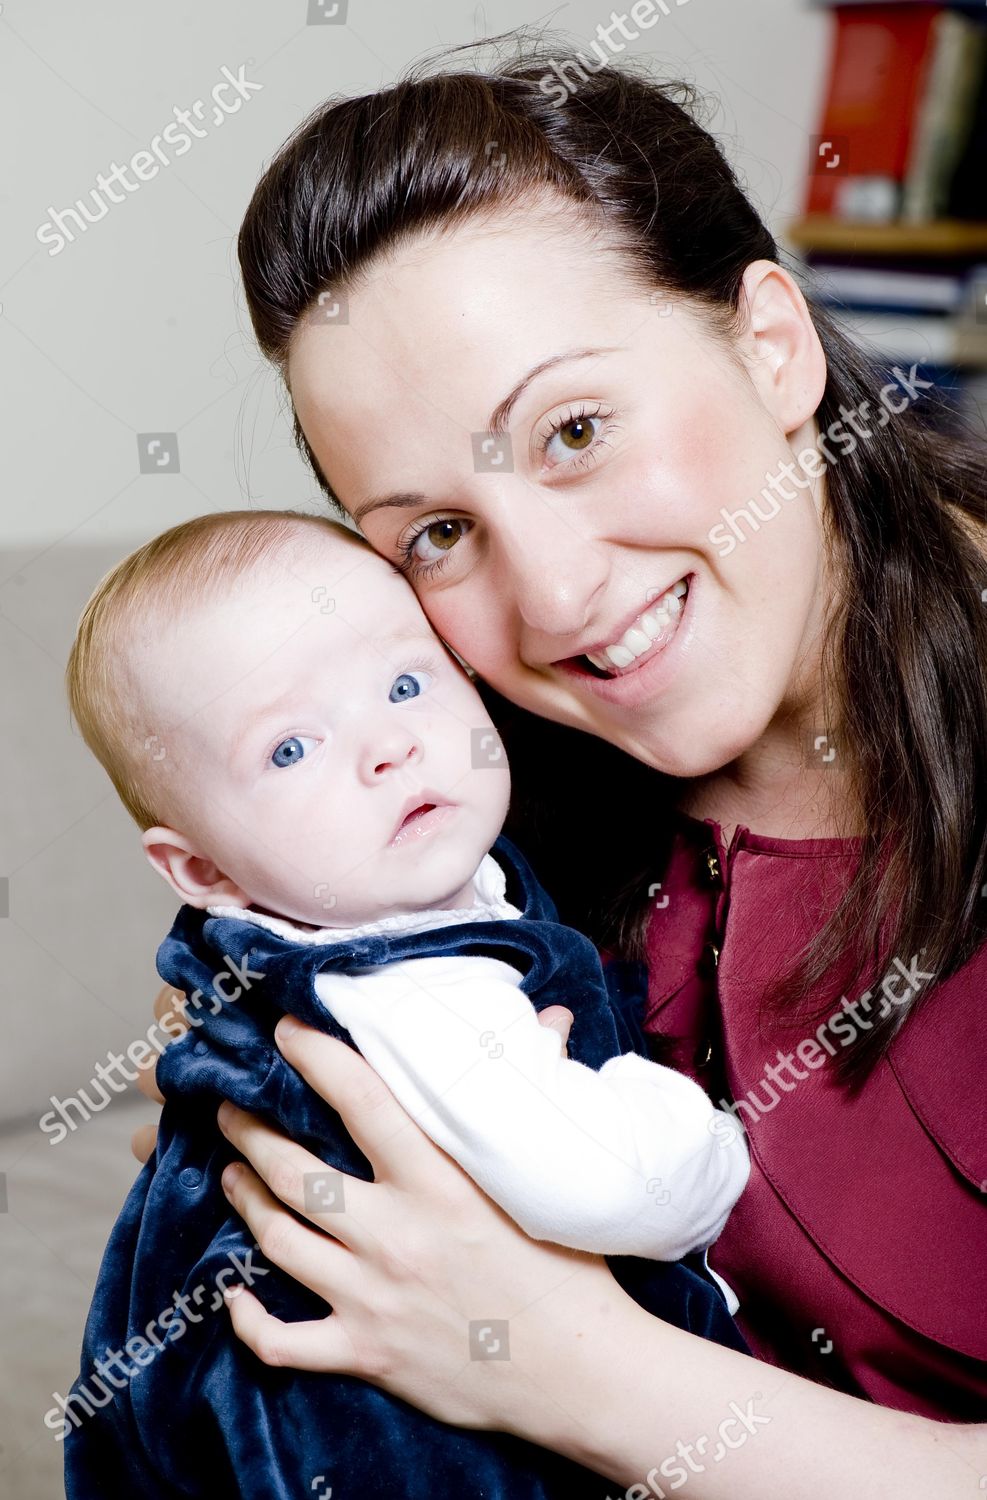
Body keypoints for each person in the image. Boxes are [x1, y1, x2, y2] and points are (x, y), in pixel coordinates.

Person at [135, 33, 987, 1495]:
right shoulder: (474, 805)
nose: (548, 597)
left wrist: (566, 1363)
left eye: (573, 430)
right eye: (436, 533)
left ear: (770, 344)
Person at [61, 507, 750, 1496]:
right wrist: (709, 1150)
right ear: (202, 867)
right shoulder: (409, 985)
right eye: (289, 749)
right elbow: (605, 1185)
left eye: (403, 683)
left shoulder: (364, 910)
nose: (387, 746)